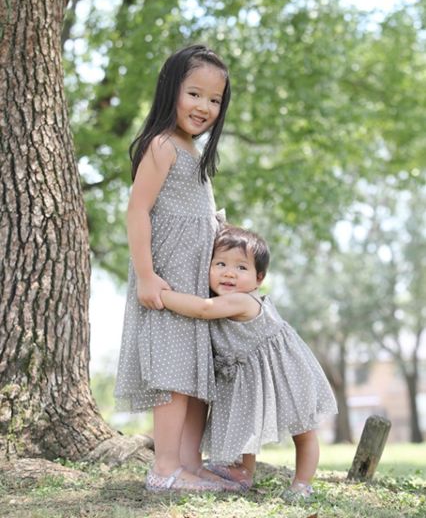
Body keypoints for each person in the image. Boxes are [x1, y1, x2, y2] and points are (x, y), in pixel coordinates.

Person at [114, 44, 239, 493]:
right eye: (194, 94)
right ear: (171, 90)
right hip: (167, 282)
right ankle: (164, 468)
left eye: (214, 99)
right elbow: (137, 211)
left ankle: (188, 463)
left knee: (193, 375)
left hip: (194, 288)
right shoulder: (162, 146)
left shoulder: (193, 152)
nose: (204, 106)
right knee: (172, 377)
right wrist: (147, 276)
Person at [158, 225, 338, 496]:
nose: (229, 273)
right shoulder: (226, 299)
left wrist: (161, 294)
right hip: (250, 375)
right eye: (220, 264)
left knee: (303, 432)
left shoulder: (242, 301)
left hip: (283, 373)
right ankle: (243, 471)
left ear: (258, 279)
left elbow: (203, 309)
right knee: (245, 423)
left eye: (241, 268)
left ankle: (302, 483)